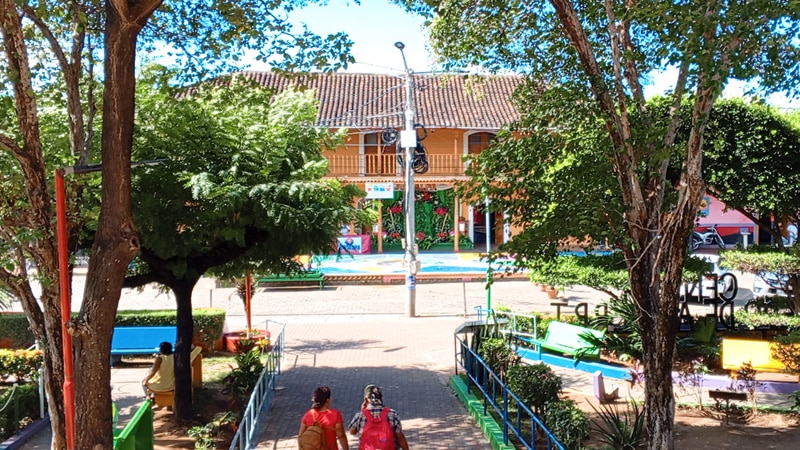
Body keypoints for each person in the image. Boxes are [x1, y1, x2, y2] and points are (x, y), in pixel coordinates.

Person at [348, 385, 409, 450]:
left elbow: (352, 432)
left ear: (366, 399)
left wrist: (363, 410)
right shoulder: (392, 413)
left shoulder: (360, 415)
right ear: (381, 397)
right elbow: (399, 436)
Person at [299, 385, 349, 450]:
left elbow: (301, 435)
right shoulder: (335, 414)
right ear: (328, 400)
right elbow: (341, 435)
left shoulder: (309, 414)